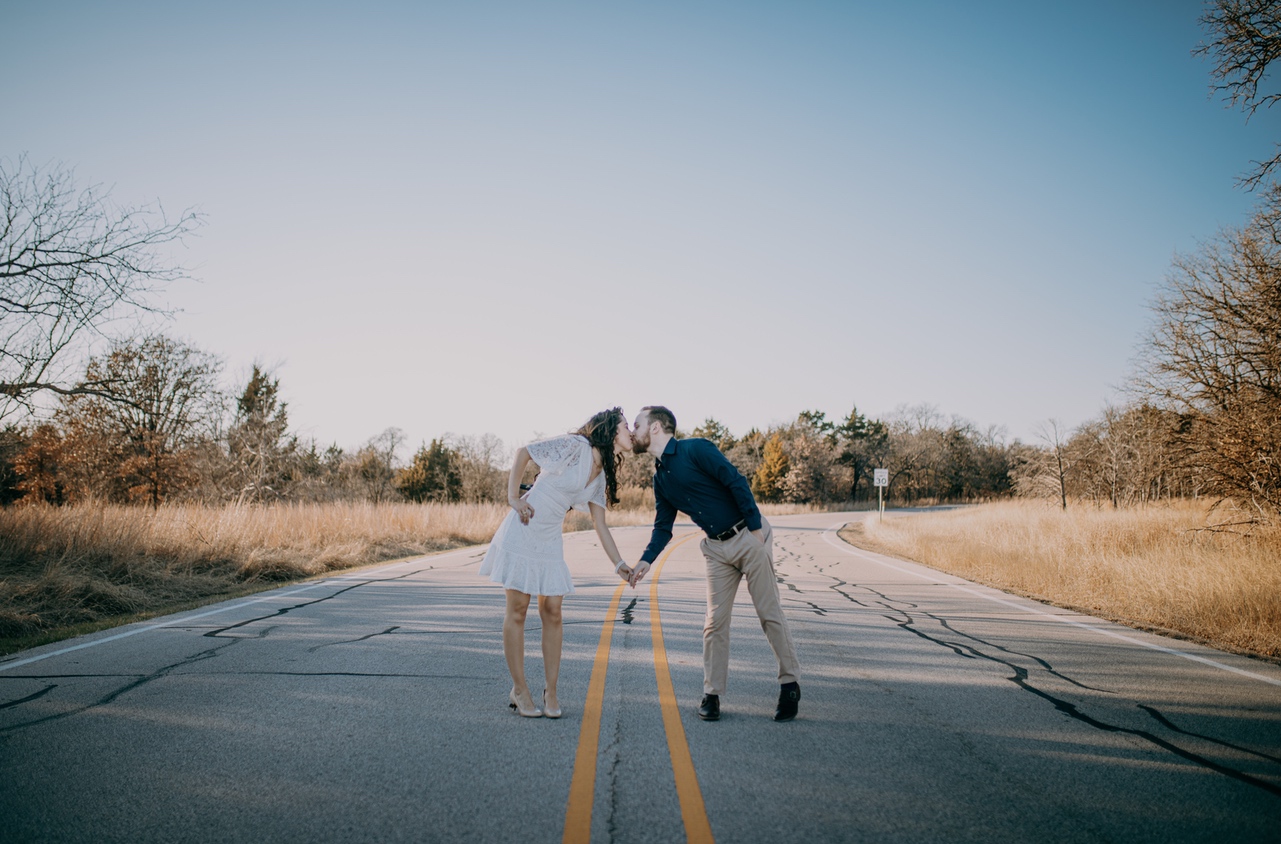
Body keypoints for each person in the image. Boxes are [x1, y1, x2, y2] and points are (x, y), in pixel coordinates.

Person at [628, 406, 801, 722]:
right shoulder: (660, 478)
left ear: (655, 428)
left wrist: (756, 531)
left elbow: (736, 480)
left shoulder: (696, 449)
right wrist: (645, 560)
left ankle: (789, 684)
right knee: (714, 622)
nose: (632, 430)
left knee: (768, 612)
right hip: (716, 550)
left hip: (747, 535)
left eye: (636, 424)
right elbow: (663, 527)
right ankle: (712, 694)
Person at [479, 407, 635, 719]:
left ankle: (551, 690)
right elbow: (524, 452)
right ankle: (519, 689)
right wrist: (513, 497)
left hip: (550, 539)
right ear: (610, 431)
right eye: (626, 426)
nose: (630, 432)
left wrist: (619, 564)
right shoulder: (576, 447)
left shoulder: (600, 475)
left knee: (553, 611)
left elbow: (600, 526)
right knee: (518, 611)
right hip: (522, 529)